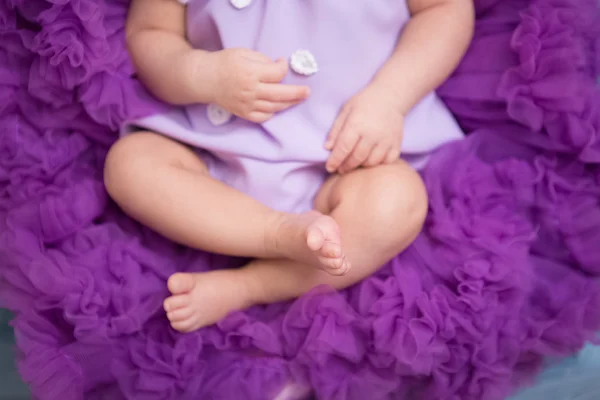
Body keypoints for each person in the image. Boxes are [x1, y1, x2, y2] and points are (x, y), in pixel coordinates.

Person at [104, 0, 474, 332]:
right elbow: (150, 33)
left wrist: (390, 97)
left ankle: (252, 285)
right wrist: (202, 73)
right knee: (129, 164)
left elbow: (444, 10)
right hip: (215, 148)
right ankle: (277, 233)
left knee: (397, 200)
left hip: (344, 164)